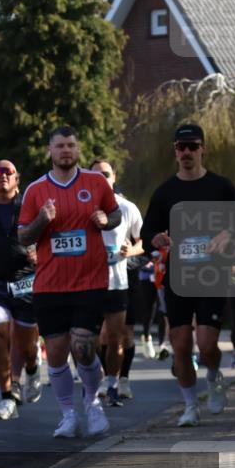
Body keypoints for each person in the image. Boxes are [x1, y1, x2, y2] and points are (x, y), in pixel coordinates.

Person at [17, 126, 121, 438]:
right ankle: (68, 414)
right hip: (49, 285)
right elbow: (23, 236)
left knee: (84, 346)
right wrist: (42, 221)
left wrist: (106, 220)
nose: (66, 151)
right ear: (50, 151)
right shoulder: (35, 191)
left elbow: (114, 216)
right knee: (59, 351)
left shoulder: (96, 182)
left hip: (90, 281)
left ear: (78, 150)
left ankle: (92, 402)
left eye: (71, 145)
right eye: (60, 146)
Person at [140, 124, 235, 426]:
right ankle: (190, 406)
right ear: (175, 151)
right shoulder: (166, 192)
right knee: (181, 344)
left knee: (208, 344)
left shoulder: (221, 187)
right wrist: (154, 239)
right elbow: (147, 232)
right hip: (177, 278)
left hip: (211, 276)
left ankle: (213, 375)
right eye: (181, 147)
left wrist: (227, 234)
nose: (186, 152)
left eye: (192, 146)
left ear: (203, 148)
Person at [0, 160, 42, 421]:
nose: (3, 176)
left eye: (9, 172)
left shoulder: (30, 206)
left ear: (17, 179)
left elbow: (48, 235)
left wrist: (41, 253)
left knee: (26, 344)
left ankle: (32, 364)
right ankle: (7, 396)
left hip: (26, 280)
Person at [92, 159, 144, 407]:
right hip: (87, 283)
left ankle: (113, 382)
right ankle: (100, 379)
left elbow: (143, 241)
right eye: (95, 175)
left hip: (118, 281)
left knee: (114, 337)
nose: (101, 179)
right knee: (90, 339)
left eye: (105, 174)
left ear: (114, 177)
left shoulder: (127, 208)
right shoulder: (81, 207)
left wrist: (130, 250)